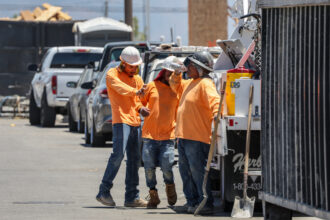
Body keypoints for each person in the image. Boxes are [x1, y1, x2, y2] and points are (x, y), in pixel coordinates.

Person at [96, 46, 150, 207]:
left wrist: (142, 108)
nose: (134, 69)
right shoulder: (112, 74)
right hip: (121, 120)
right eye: (131, 66)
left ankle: (132, 197)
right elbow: (120, 88)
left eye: (136, 66)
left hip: (135, 121)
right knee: (118, 155)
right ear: (123, 63)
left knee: (134, 159)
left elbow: (137, 101)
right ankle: (103, 191)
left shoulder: (137, 79)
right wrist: (137, 92)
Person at [169, 51, 220, 214]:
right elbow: (174, 85)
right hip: (184, 136)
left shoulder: (205, 83)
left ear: (199, 68)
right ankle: (191, 202)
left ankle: (205, 202)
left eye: (190, 66)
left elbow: (215, 101)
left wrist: (217, 113)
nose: (187, 69)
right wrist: (177, 73)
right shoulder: (191, 82)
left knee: (197, 171)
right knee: (186, 172)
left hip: (197, 137)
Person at [138, 56, 181, 208]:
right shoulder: (151, 86)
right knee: (149, 167)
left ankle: (170, 186)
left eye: (174, 73)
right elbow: (139, 101)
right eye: (168, 73)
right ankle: (153, 195)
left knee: (167, 165)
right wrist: (141, 109)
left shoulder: (177, 90)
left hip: (168, 135)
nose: (170, 76)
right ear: (163, 72)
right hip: (149, 135)